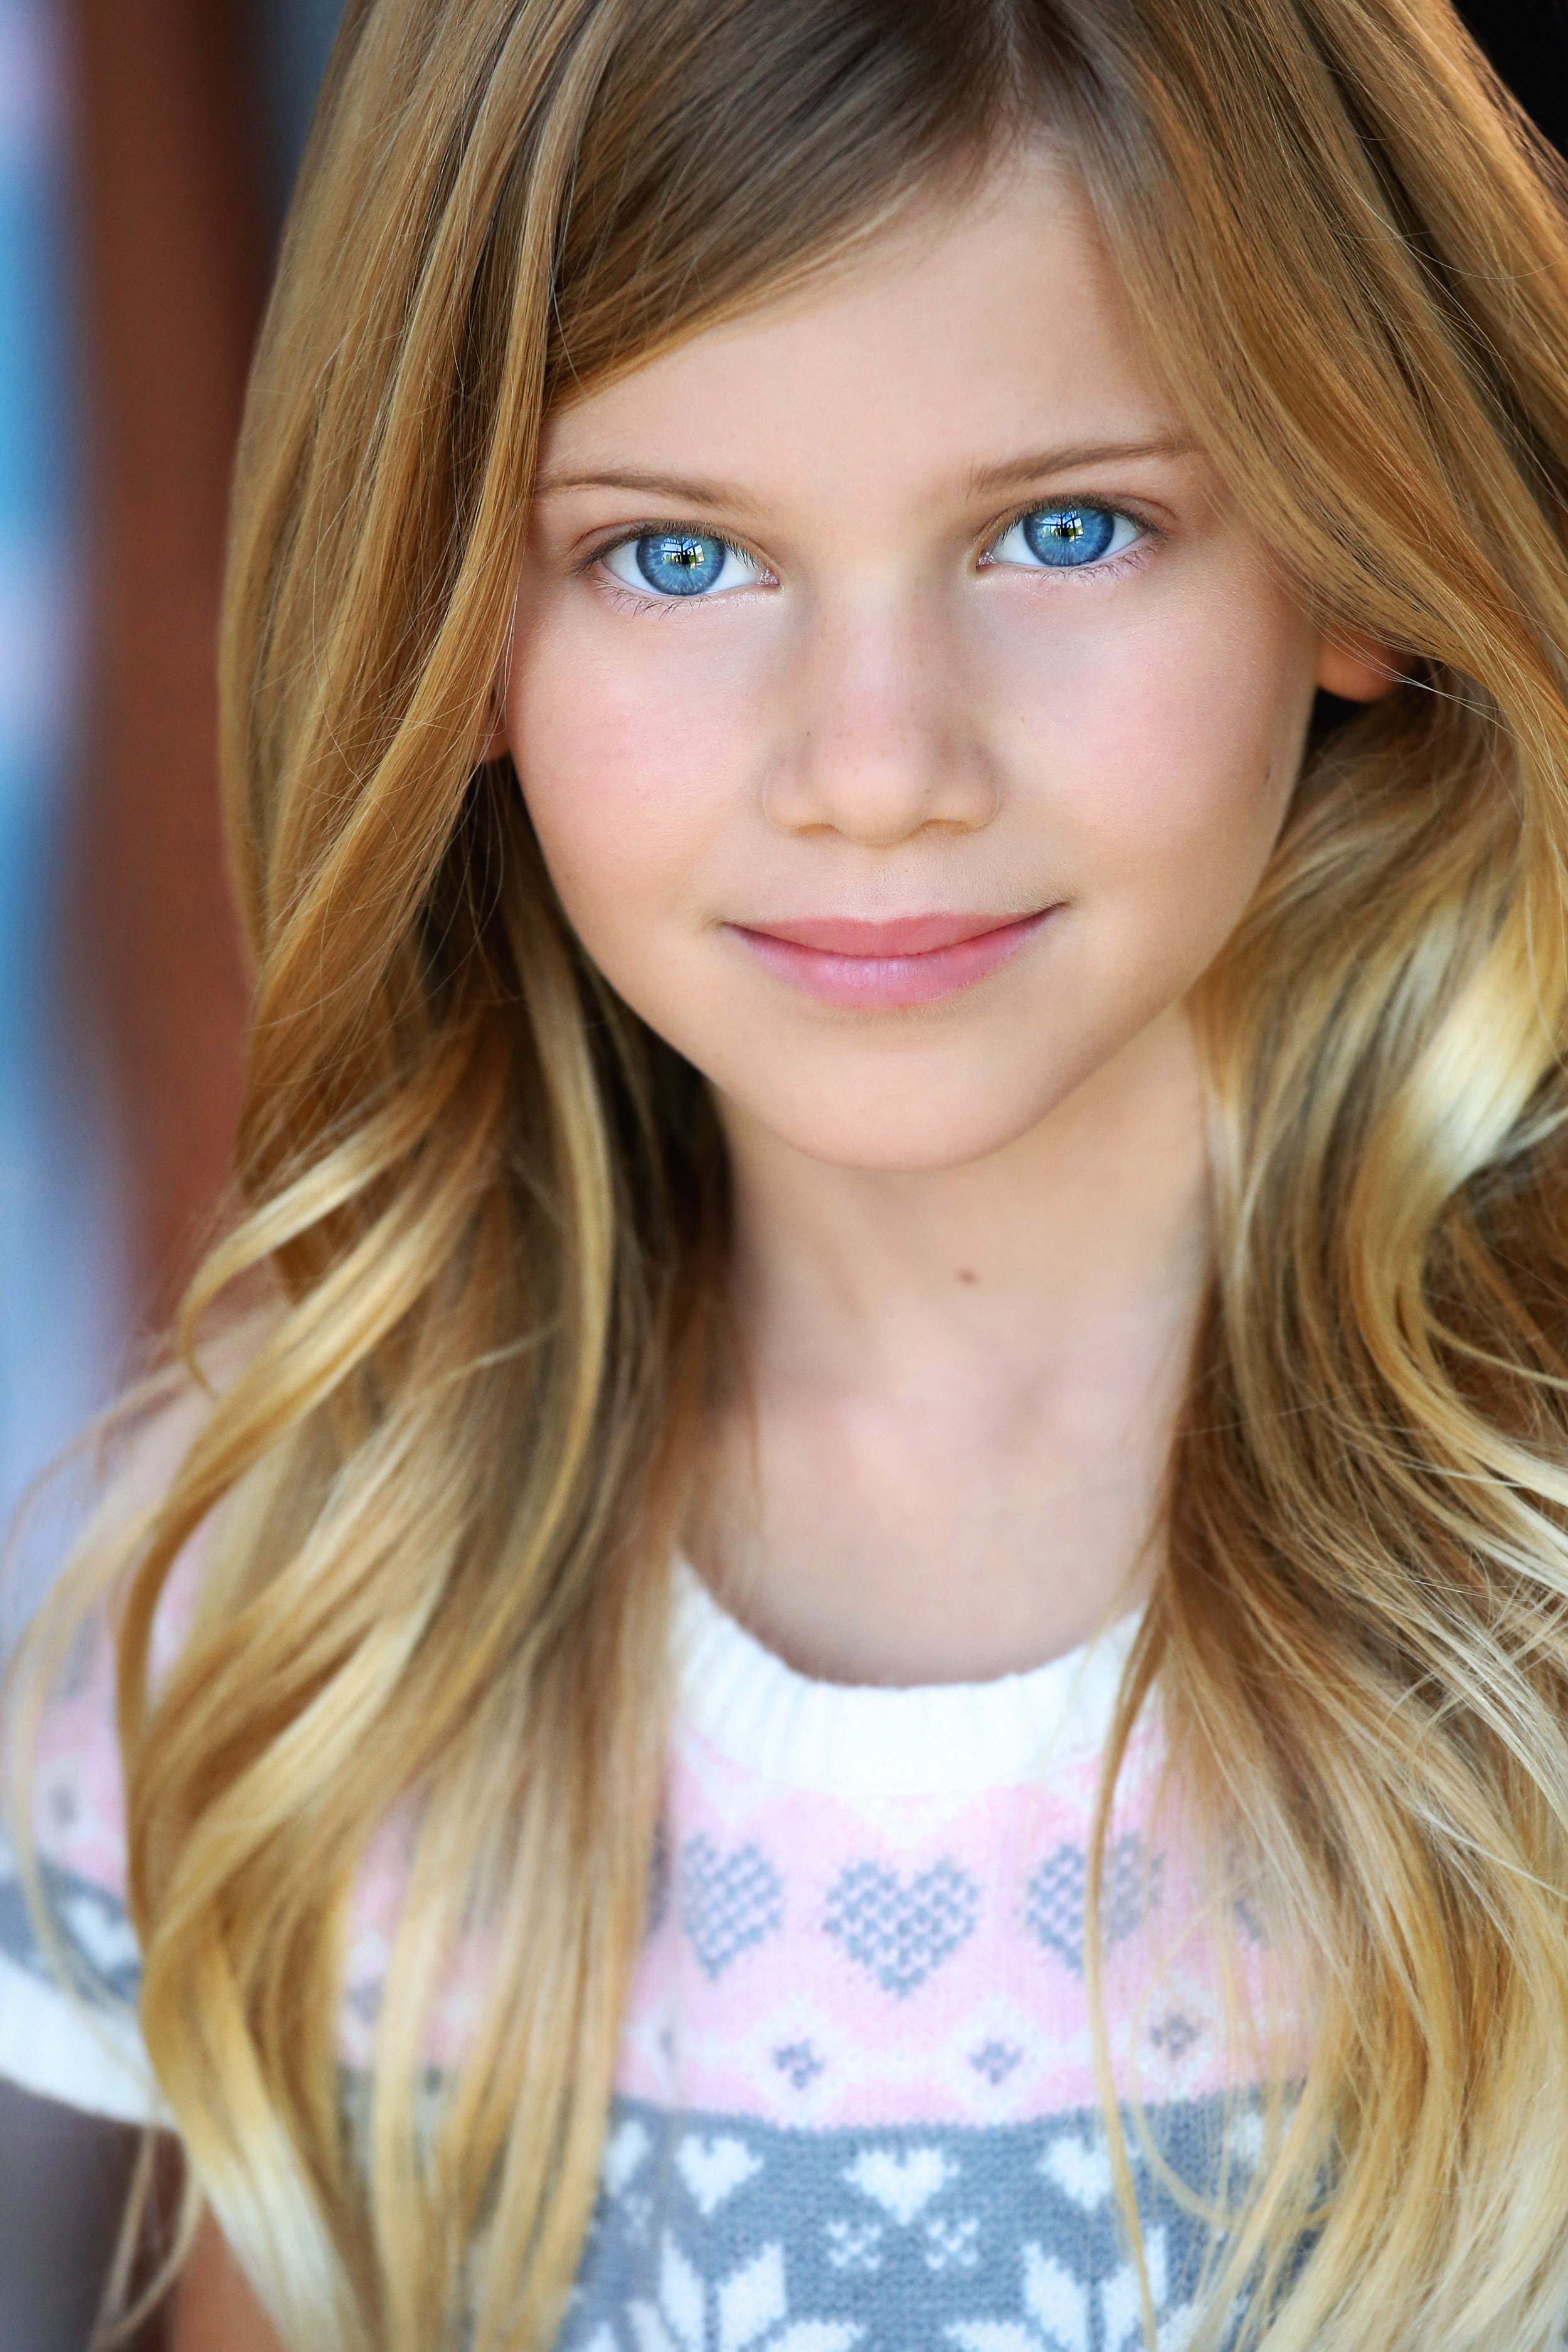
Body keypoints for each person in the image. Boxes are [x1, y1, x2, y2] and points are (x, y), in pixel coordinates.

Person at [6, 1, 1568, 2346]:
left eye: (1066, 530)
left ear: (1349, 546)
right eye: (667, 558)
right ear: (456, 625)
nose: (873, 768)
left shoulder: (1520, 1573)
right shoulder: (286, 1609)